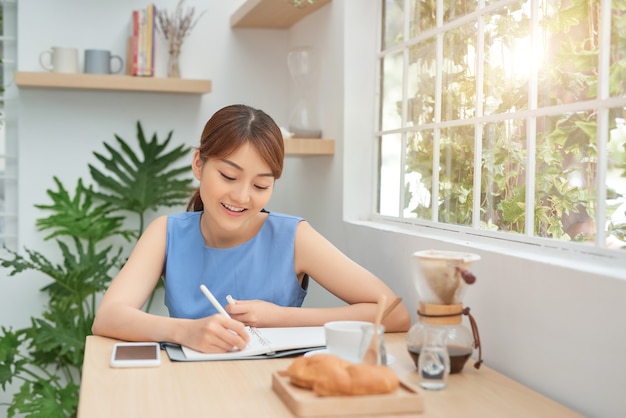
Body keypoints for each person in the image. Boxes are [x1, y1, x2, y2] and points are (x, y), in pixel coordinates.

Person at [92, 104, 411, 353]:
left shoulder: (293, 237)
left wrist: (281, 318)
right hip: (190, 387)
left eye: (260, 185)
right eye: (229, 177)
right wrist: (186, 332)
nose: (242, 197)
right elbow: (108, 317)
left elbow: (395, 314)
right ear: (198, 164)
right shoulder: (166, 233)